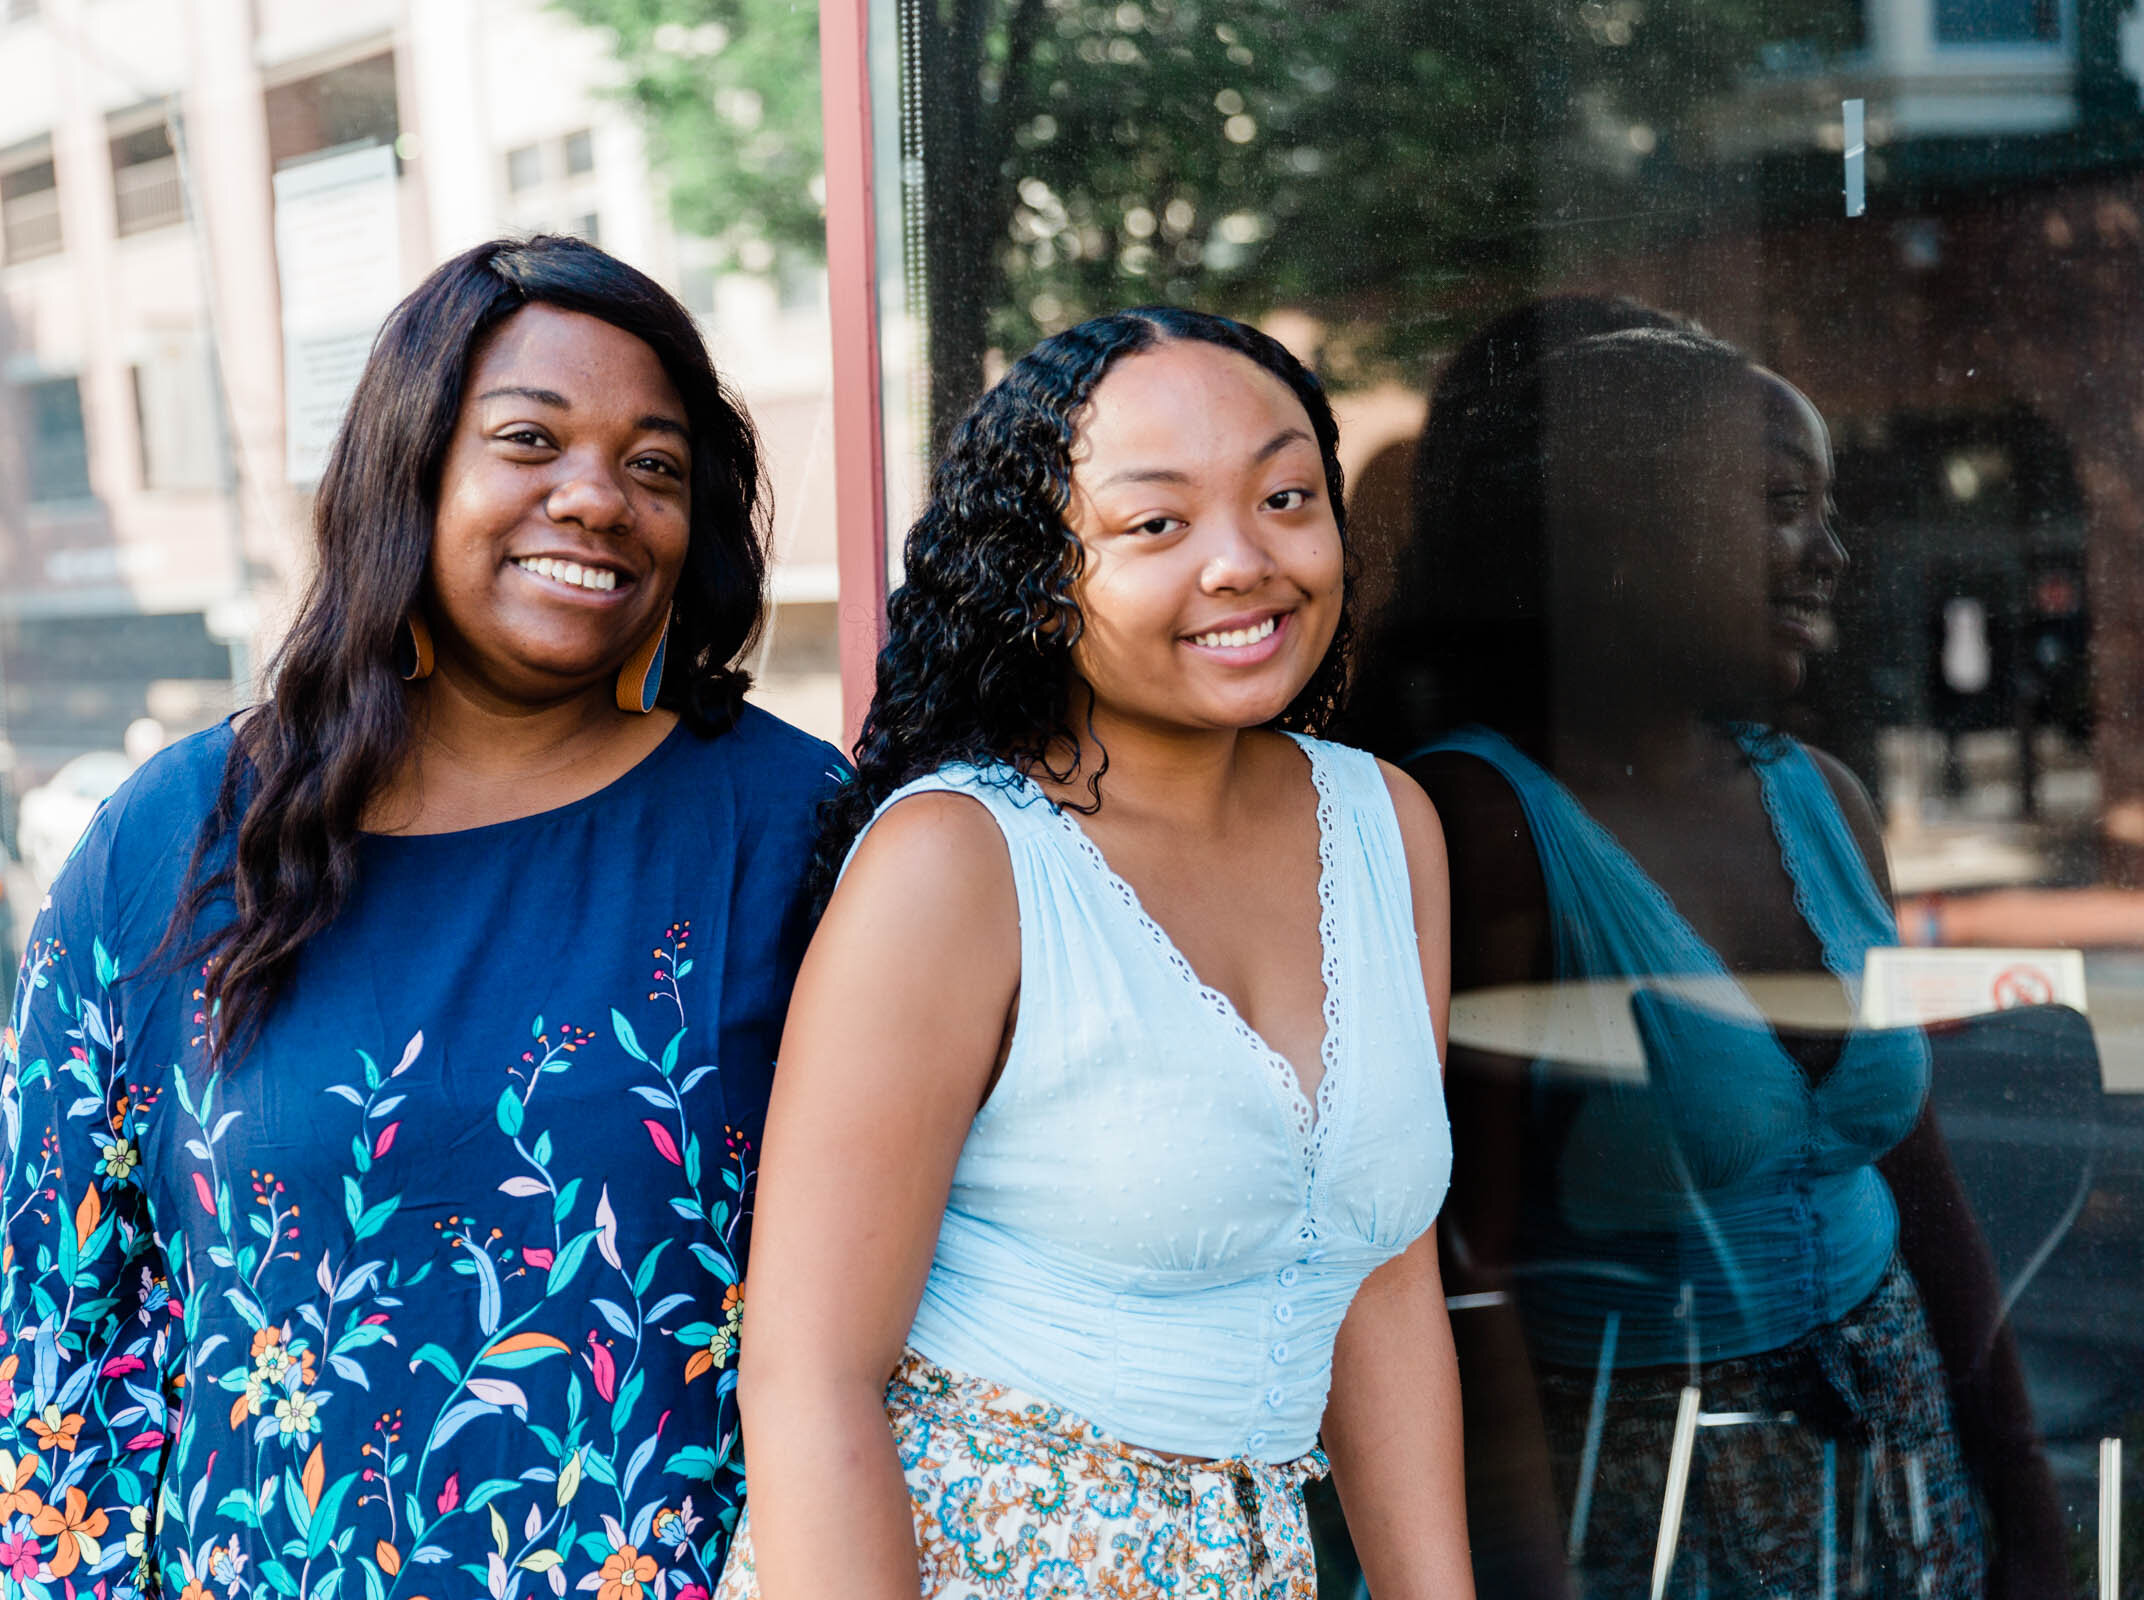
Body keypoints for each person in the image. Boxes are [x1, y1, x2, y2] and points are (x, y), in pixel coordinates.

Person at [0, 235, 840, 1600]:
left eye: (655, 465)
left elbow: (899, 1314)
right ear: (408, 470)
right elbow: (35, 1334)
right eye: (531, 441)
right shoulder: (179, 838)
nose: (597, 498)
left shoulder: (790, 830)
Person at [719, 307, 1473, 1600]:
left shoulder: (1384, 826)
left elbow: (1379, 1267)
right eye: (1157, 524)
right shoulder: (957, 865)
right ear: (1039, 571)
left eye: (1287, 496)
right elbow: (810, 1377)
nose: (1244, 562)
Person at [1351, 315, 2064, 1599]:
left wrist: (2029, 1511)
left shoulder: (1827, 802)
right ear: (1630, 528)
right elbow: (1462, 1282)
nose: (1833, 555)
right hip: (1646, 1506)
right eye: (1785, 505)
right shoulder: (1485, 828)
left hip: (1899, 1476)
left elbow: (1929, 1195)